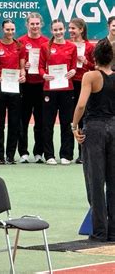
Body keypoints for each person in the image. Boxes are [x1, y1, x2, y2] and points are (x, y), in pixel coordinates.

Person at [72, 39, 115, 242]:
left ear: (93, 58)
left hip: (95, 128)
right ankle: (113, 230)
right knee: (113, 180)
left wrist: (74, 125)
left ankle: (99, 231)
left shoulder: (90, 76)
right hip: (114, 127)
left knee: (95, 180)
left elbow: (81, 105)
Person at [39, 20, 77, 165]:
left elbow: (73, 67)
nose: (58, 32)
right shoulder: (45, 47)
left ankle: (66, 154)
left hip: (67, 89)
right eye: (55, 30)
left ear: (65, 29)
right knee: (48, 123)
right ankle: (49, 155)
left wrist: (73, 71)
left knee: (66, 122)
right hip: (49, 89)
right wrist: (44, 75)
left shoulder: (71, 47)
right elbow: (41, 66)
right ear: (51, 31)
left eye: (60, 29)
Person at [0, 20, 25, 164]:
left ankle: (10, 155)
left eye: (12, 29)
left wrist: (23, 75)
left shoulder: (19, 46)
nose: (10, 32)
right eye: (7, 29)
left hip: (15, 87)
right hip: (0, 86)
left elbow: (22, 66)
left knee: (14, 122)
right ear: (2, 30)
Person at [17, 13, 49, 163]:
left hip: (42, 86)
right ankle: (23, 152)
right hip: (25, 85)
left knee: (40, 121)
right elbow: (13, 63)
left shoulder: (47, 42)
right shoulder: (21, 42)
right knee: (23, 120)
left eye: (37, 23)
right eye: (32, 24)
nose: (35, 26)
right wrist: (23, 66)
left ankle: (39, 153)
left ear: (41, 24)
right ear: (27, 25)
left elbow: (52, 63)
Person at [69, 18, 95, 163]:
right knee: (70, 117)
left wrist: (86, 61)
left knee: (83, 118)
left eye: (73, 28)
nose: (71, 31)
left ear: (81, 30)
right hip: (69, 84)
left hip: (84, 84)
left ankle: (83, 154)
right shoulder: (66, 45)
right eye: (70, 28)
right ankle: (67, 153)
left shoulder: (90, 47)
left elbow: (96, 67)